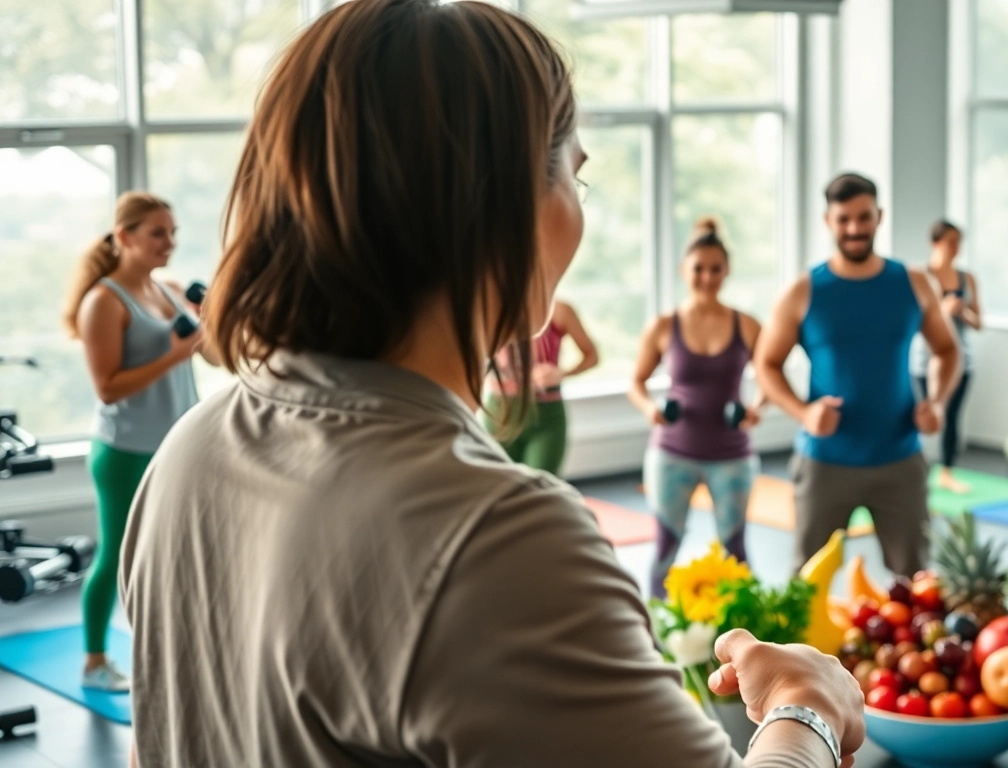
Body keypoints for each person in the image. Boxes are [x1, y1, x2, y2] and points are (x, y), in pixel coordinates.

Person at [119, 3, 863, 767]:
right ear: (515, 205)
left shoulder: (188, 453)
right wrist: (804, 710)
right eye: (576, 175)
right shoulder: (498, 540)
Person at [757, 173, 961, 575]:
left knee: (917, 581)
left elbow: (947, 349)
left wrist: (936, 402)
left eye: (863, 217)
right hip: (825, 462)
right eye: (844, 219)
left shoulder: (914, 283)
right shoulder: (803, 291)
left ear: (879, 216)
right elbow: (766, 364)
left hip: (900, 459)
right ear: (827, 221)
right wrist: (804, 413)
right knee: (807, 580)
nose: (854, 228)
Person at [60, 191, 203, 692]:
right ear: (125, 237)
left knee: (177, 553)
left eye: (173, 233)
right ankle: (95, 662)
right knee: (117, 555)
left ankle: (174, 653)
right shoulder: (103, 301)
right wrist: (176, 354)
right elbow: (108, 387)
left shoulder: (168, 290)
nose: (169, 243)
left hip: (176, 445)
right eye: (157, 233)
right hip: (124, 452)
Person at [629, 217, 763, 597]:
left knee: (735, 553)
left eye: (715, 269)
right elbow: (635, 384)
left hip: (732, 455)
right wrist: (648, 409)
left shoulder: (748, 325)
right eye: (698, 269)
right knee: (664, 550)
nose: (707, 277)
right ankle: (652, 640)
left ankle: (746, 644)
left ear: (727, 271)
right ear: (683, 271)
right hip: (673, 453)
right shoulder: (662, 326)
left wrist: (758, 407)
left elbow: (771, 377)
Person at [481, 299, 598, 475]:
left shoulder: (560, 310)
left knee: (543, 487)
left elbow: (592, 356)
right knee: (498, 486)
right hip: (500, 413)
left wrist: (562, 373)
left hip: (546, 414)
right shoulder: (488, 308)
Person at [911, 219, 979, 495]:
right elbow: (913, 318)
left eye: (958, 241)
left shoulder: (967, 278)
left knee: (951, 416)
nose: (956, 248)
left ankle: (947, 471)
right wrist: (941, 312)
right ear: (935, 243)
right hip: (923, 360)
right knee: (920, 414)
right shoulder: (919, 277)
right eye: (951, 241)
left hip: (961, 359)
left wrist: (961, 311)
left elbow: (978, 321)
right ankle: (914, 470)